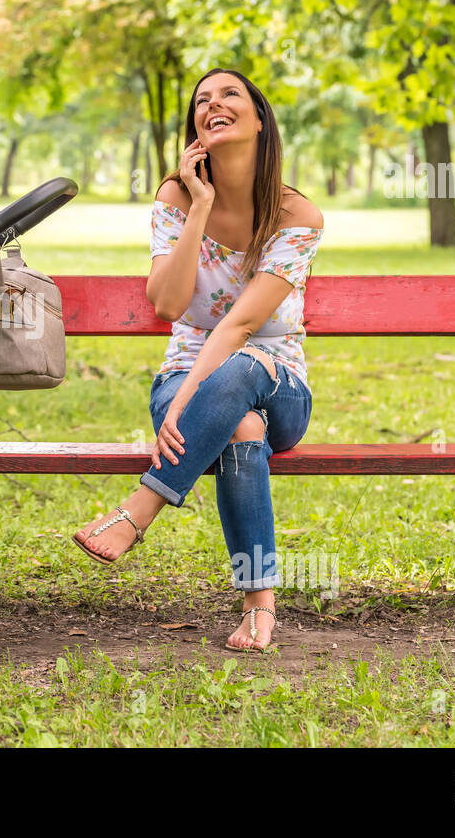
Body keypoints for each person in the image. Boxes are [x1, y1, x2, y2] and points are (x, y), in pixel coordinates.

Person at [71, 68, 324, 652]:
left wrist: (184, 403)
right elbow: (166, 302)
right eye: (201, 100)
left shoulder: (297, 217)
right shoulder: (177, 199)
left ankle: (139, 510)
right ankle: (260, 607)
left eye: (229, 94)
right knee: (241, 424)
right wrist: (200, 208)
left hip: (277, 383)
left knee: (244, 374)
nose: (213, 104)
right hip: (186, 380)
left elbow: (240, 326)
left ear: (260, 119)